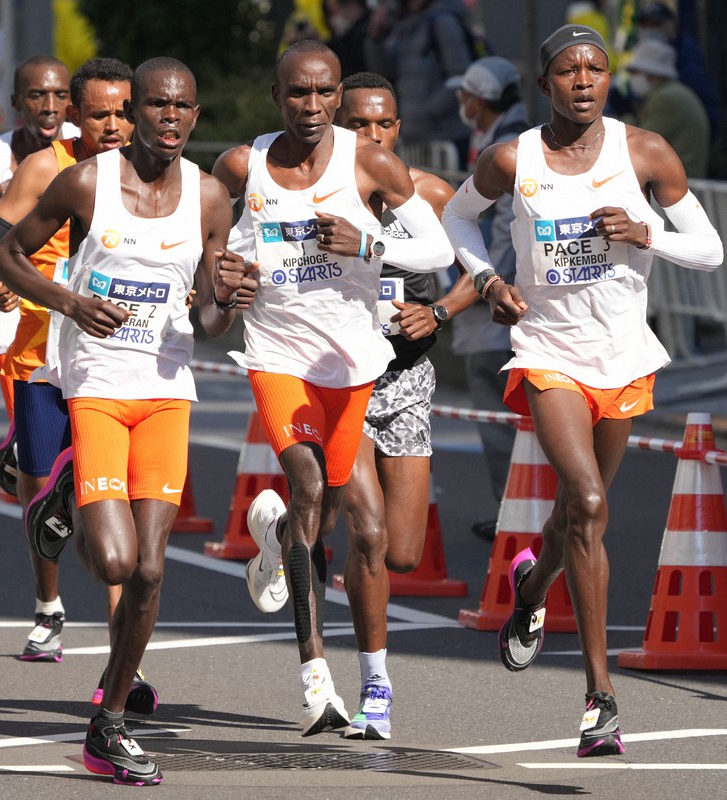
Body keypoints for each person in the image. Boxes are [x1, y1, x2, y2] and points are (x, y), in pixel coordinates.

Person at [441, 24, 722, 758]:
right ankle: (599, 700)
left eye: (595, 68)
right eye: (569, 70)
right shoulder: (513, 158)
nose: (584, 81)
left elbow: (710, 249)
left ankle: (529, 591)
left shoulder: (644, 152)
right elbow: (456, 218)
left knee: (576, 511)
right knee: (591, 505)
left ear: (608, 77)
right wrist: (488, 280)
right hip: (547, 352)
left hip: (622, 354)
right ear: (545, 84)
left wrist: (646, 233)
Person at [0, 55, 253, 786]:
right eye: (158, 105)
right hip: (96, 385)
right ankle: (63, 485)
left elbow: (205, 318)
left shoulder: (207, 198)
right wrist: (68, 303)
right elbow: (6, 255)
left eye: (184, 107)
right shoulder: (85, 182)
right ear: (134, 109)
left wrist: (230, 297)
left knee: (148, 568)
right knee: (110, 561)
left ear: (195, 117)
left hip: (167, 388)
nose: (171, 118)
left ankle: (107, 724)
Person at [213, 40, 454, 737]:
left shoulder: (369, 161)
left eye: (323, 94)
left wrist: (368, 245)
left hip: (353, 362)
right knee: (314, 489)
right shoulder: (243, 163)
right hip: (276, 353)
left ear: (337, 94)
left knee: (341, 517)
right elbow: (204, 235)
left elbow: (436, 251)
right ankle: (318, 681)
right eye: (297, 94)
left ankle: (279, 536)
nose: (311, 108)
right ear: (277, 95)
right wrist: (220, 283)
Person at [331, 70, 474, 739]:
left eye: (384, 123)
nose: (373, 135)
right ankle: (375, 687)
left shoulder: (430, 194)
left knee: (404, 555)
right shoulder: (324, 195)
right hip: (343, 381)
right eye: (359, 124)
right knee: (367, 534)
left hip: (409, 383)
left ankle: (288, 530)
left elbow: (483, 267)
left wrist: (437, 311)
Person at [0, 58, 134, 667]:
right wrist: (5, 280)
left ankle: (129, 651)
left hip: (114, 358)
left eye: (124, 111)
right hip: (42, 352)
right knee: (42, 483)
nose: (115, 125)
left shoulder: (151, 173)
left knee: (112, 499)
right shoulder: (49, 165)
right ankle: (48, 609)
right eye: (100, 113)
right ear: (76, 115)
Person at [447, 56, 530, 541]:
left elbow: (503, 230)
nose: (460, 103)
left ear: (479, 99)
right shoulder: (516, 137)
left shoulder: (507, 149)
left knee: (497, 410)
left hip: (498, 300)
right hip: (504, 293)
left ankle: (515, 513)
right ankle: (521, 509)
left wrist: (483, 282)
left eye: (464, 95)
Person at [0, 55, 78, 434]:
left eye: (60, 95)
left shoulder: (84, 148)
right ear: (17, 100)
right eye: (37, 95)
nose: (50, 107)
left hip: (73, 312)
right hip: (16, 321)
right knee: (33, 446)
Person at [365, 0, 486, 166]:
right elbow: (384, 71)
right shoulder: (404, 23)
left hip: (447, 137)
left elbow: (461, 75)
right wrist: (376, 37)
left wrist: (429, 113)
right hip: (417, 138)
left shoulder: (443, 20)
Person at [625, 38, 710, 179]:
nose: (632, 78)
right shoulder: (669, 93)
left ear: (655, 73)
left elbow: (637, 145)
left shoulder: (666, 99)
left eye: (636, 72)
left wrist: (624, 116)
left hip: (678, 185)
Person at [633, 1, 719, 140]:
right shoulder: (645, 50)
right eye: (644, 25)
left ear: (672, 27)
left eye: (655, 25)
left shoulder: (688, 62)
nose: (649, 30)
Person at [324, 0, 371, 77]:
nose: (335, 19)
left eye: (336, 12)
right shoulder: (346, 37)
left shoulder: (366, 33)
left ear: (352, 6)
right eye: (330, 14)